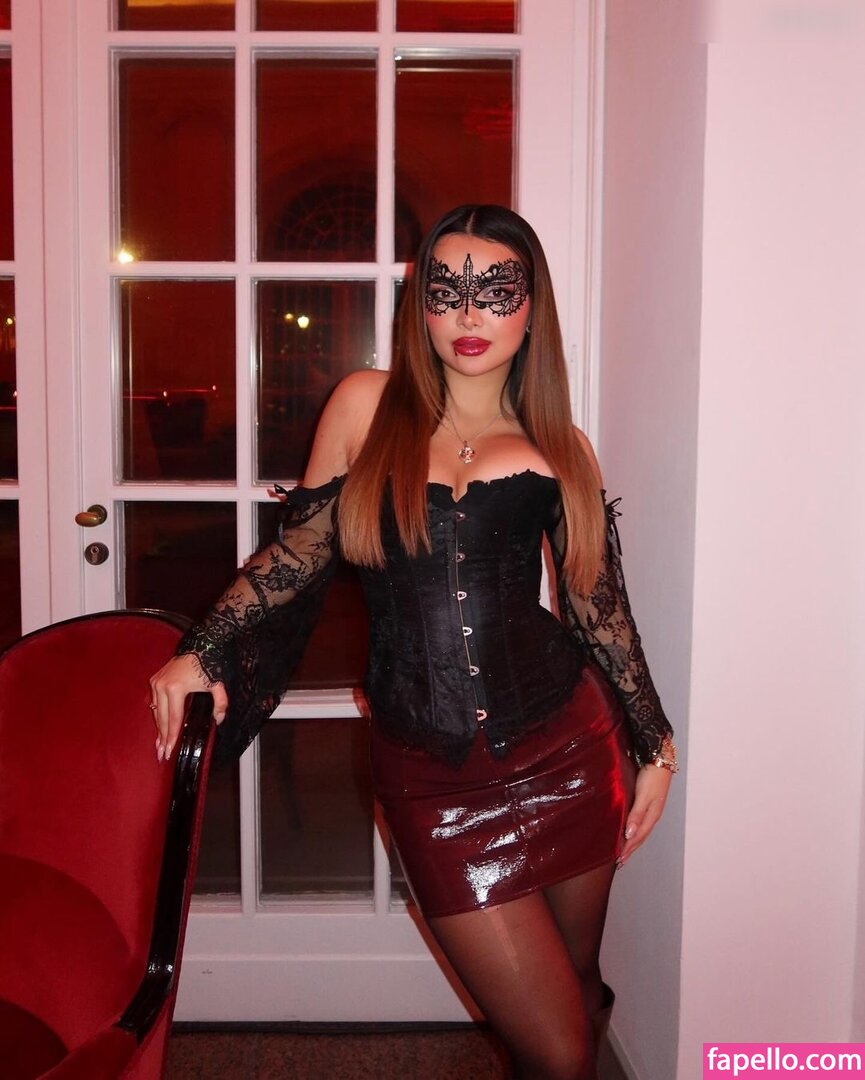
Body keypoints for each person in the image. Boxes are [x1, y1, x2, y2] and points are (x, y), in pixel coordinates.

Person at [149, 204, 678, 1080]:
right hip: (429, 777)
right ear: (418, 305)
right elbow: (298, 555)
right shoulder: (367, 406)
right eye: (445, 290)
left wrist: (655, 745)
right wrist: (200, 648)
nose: (468, 314)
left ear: (532, 309)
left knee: (577, 991)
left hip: (570, 752)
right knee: (555, 1047)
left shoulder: (561, 447)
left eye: (495, 290)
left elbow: (598, 609)